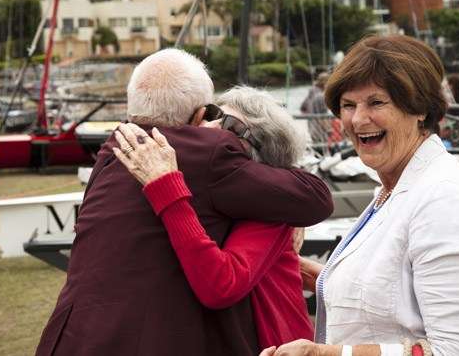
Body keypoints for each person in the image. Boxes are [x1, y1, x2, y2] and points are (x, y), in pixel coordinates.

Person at [35, 49, 333, 356]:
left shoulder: (114, 149)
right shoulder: (207, 152)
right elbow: (316, 198)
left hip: (69, 335)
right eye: (216, 116)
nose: (218, 131)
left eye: (228, 123)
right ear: (200, 115)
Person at [261, 35, 459, 356]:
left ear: (419, 109)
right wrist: (296, 269)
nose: (358, 119)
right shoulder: (395, 189)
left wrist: (325, 354)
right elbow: (391, 290)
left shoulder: (446, 202)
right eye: (348, 105)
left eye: (376, 102)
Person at [112, 86, 314, 349]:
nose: (209, 125)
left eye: (229, 124)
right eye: (214, 114)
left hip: (281, 347)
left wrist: (166, 187)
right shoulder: (223, 194)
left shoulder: (269, 211)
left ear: (260, 150)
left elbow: (221, 285)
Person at [301, 72, 333, 151]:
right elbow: (323, 116)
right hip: (320, 130)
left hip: (311, 127)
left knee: (316, 150)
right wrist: (329, 129)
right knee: (324, 151)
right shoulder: (322, 96)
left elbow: (302, 108)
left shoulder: (310, 93)